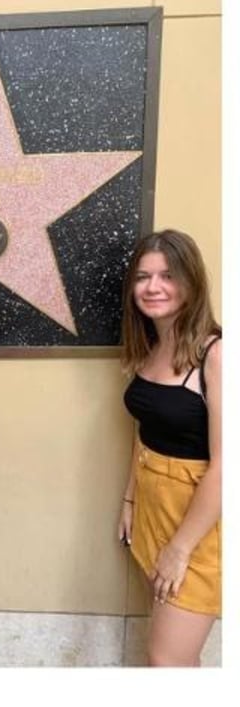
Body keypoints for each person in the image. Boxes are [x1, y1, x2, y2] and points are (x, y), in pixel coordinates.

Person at [118, 229, 220, 666]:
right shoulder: (151, 346)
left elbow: (226, 466)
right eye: (143, 277)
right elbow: (145, 429)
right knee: (177, 656)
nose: (153, 287)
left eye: (167, 275)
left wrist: (180, 549)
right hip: (151, 507)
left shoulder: (217, 355)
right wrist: (130, 498)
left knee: (166, 661)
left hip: (197, 520)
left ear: (191, 281)